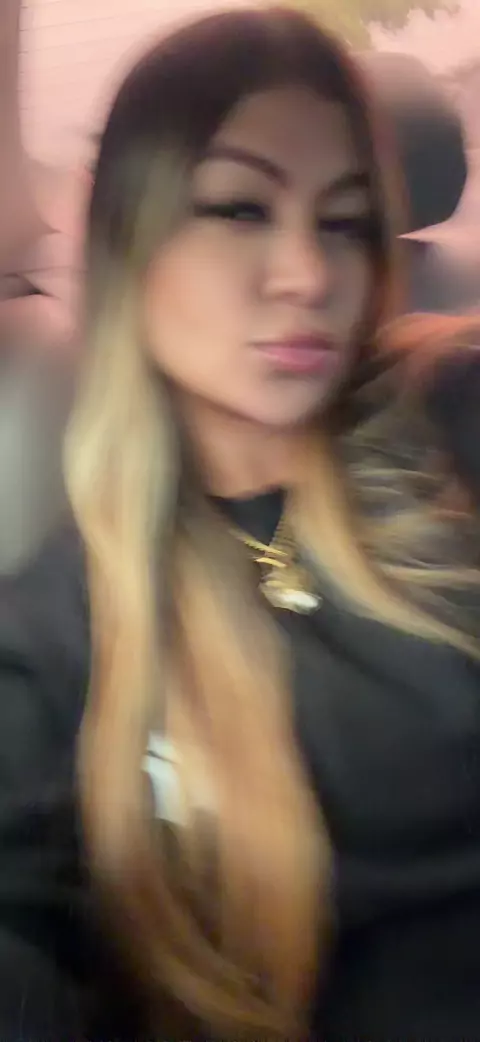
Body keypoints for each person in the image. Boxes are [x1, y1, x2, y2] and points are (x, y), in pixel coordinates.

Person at [0, 6, 479, 1040]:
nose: (307, 273)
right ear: (126, 237)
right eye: (239, 209)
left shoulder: (450, 414)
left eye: (344, 221)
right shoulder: (63, 635)